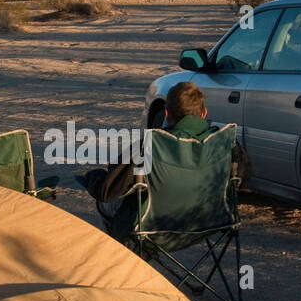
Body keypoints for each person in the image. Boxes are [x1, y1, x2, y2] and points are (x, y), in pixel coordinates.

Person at [79, 81, 251, 242]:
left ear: (167, 114)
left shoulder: (152, 145)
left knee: (107, 202)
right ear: (204, 113)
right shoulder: (227, 143)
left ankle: (130, 260)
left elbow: (107, 191)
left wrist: (92, 177)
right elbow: (243, 176)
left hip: (154, 228)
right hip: (211, 222)